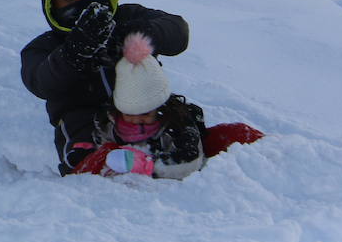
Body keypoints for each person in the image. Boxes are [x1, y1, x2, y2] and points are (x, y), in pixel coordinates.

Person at [21, 0, 262, 176]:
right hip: (88, 129)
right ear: (53, 4)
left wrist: (136, 34)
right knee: (94, 149)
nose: (80, 2)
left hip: (150, 113)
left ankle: (243, 149)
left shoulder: (127, 17)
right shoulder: (46, 46)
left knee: (200, 126)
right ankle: (118, 164)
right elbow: (41, 81)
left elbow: (177, 30)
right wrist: (74, 51)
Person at [71, 33, 265, 179]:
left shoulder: (178, 123)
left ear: (159, 106)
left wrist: (149, 167)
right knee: (104, 153)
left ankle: (275, 152)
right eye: (130, 113)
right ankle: (74, 184)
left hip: (172, 163)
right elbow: (104, 149)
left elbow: (190, 163)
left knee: (235, 133)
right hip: (127, 167)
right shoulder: (110, 122)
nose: (137, 119)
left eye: (146, 113)